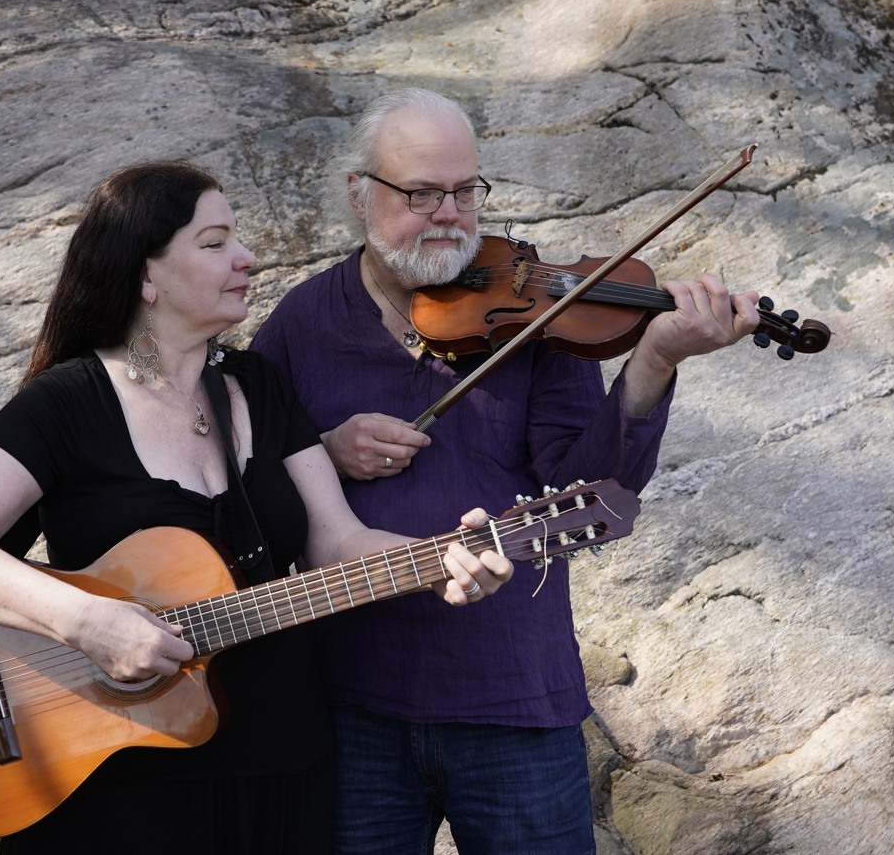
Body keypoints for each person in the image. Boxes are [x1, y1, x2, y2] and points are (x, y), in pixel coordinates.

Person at [0, 160, 514, 855]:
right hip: (117, 776)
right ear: (145, 276)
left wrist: (437, 559)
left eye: (237, 239)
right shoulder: (67, 403)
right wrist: (86, 622)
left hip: (281, 763)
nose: (246, 257)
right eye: (215, 242)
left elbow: (337, 542)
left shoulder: (261, 387)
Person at [250, 88, 761, 855]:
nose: (449, 215)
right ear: (360, 194)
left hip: (513, 694)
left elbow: (596, 495)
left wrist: (654, 358)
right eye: (422, 193)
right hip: (350, 704)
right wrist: (322, 448)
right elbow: (238, 484)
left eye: (466, 191)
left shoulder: (540, 314)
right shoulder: (303, 324)